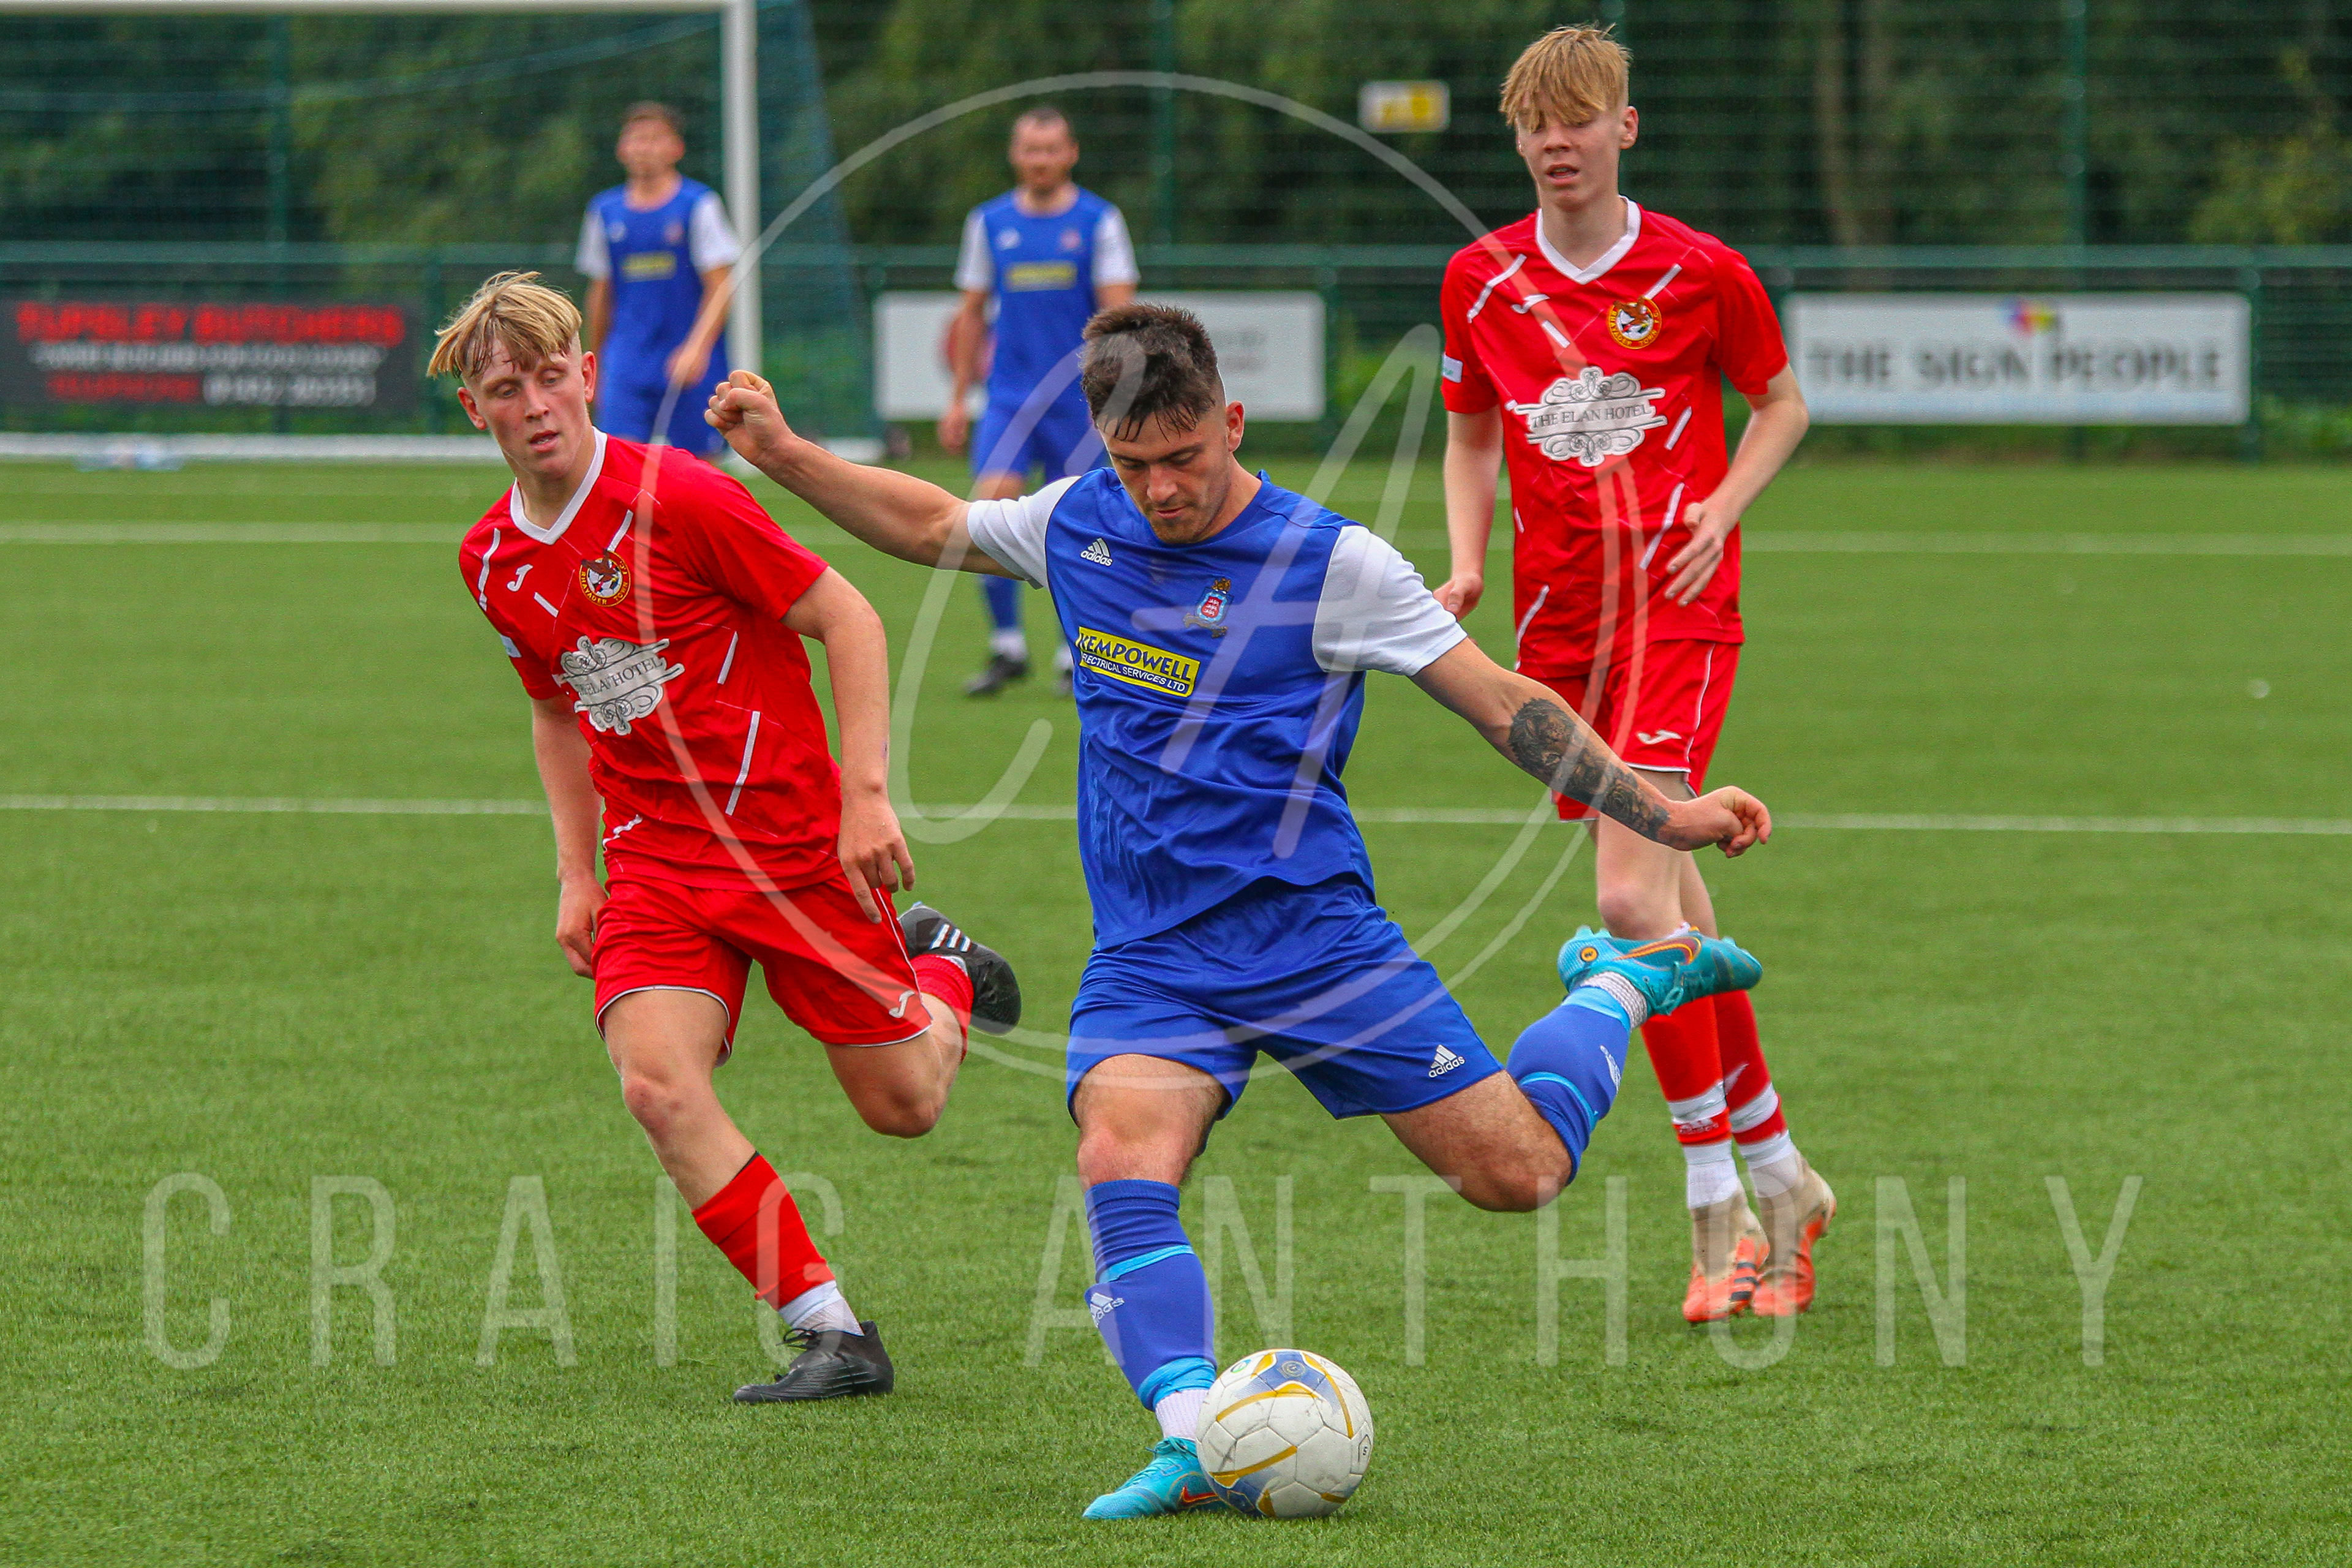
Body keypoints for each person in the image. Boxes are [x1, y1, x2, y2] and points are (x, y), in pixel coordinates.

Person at [707, 304, 1773, 1516]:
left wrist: (1662, 814)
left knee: (1520, 1174)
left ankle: (1619, 980)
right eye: (1135, 464)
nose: (1161, 489)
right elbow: (936, 523)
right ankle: (1193, 1437)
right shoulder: (1079, 522)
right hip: (1153, 953)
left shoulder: (1335, 563)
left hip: (1314, 940)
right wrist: (783, 454)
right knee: (1119, 1154)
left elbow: (1500, 702)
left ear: (1234, 423)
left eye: (1185, 458)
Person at [431, 271, 1020, 1404]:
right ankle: (833, 1334)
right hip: (656, 859)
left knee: (905, 1107)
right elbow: (555, 709)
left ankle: (941, 968)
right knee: (657, 1086)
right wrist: (576, 872)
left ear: (587, 376)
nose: (536, 405)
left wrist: (866, 795)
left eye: (552, 378)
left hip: (791, 843)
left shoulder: (680, 497)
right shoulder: (490, 560)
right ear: (476, 409)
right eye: (508, 390)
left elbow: (847, 614)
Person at [1433, 26, 1830, 1322]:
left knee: (1624, 895)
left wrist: (1721, 505)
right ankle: (1786, 1178)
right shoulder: (1480, 278)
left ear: (1625, 128)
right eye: (1535, 125)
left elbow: (1781, 403)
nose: (1557, 142)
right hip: (1560, 632)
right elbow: (1470, 436)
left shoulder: (1703, 271)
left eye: (1579, 119)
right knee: (1677, 922)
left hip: (1676, 615)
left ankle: (1718, 1201)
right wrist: (1466, 564)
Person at [938, 106, 1140, 696]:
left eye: (1051, 149)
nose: (1041, 160)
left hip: (1082, 404)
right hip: (1009, 399)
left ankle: (1076, 651)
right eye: (1031, 149)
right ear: (1015, 155)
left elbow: (1120, 317)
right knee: (988, 513)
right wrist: (958, 399)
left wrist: (1121, 395)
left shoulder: (1099, 220)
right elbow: (971, 313)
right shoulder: (989, 222)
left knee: (1081, 526)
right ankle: (1008, 646)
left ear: (1070, 153)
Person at [576, 102, 740, 461]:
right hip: (627, 360)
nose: (644, 148)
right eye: (635, 139)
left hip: (687, 357)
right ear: (621, 148)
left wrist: (697, 349)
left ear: (676, 148)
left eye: (654, 139)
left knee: (698, 467)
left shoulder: (699, 205)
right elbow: (600, 293)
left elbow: (721, 286)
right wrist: (597, 362)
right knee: (619, 459)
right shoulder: (604, 211)